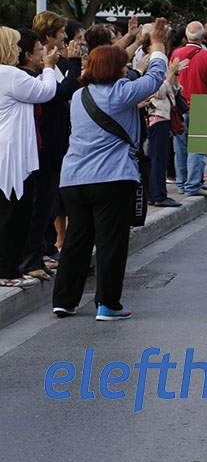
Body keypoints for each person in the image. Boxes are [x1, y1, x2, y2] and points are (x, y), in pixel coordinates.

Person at [50, 22, 170, 317]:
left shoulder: (80, 96)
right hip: (111, 178)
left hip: (73, 179)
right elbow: (156, 76)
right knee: (110, 242)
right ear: (117, 70)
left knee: (77, 239)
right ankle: (107, 304)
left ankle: (64, 300)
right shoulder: (121, 93)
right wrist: (157, 43)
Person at [19, 20, 82, 280]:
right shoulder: (28, 77)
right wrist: (71, 64)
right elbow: (58, 92)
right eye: (61, 32)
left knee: (46, 205)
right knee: (39, 207)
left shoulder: (46, 70)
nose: (65, 37)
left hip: (52, 147)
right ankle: (32, 259)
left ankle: (40, 254)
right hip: (42, 150)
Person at [0, 28, 60, 288]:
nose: (17, 50)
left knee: (16, 213)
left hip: (12, 152)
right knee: (12, 214)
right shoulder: (10, 74)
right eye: (14, 45)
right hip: (12, 155)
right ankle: (6, 271)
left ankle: (12, 269)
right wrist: (49, 67)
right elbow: (46, 91)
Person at [171, 21, 207, 197]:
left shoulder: (176, 54)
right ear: (202, 37)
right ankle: (193, 185)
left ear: (186, 36)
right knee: (198, 149)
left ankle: (181, 183)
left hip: (179, 107)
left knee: (180, 149)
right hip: (202, 107)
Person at [145, 54, 187, 208]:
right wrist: (170, 74)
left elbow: (176, 90)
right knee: (158, 158)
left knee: (159, 157)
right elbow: (159, 92)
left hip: (164, 118)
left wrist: (174, 74)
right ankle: (158, 195)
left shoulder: (162, 73)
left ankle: (154, 194)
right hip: (157, 118)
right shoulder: (149, 74)